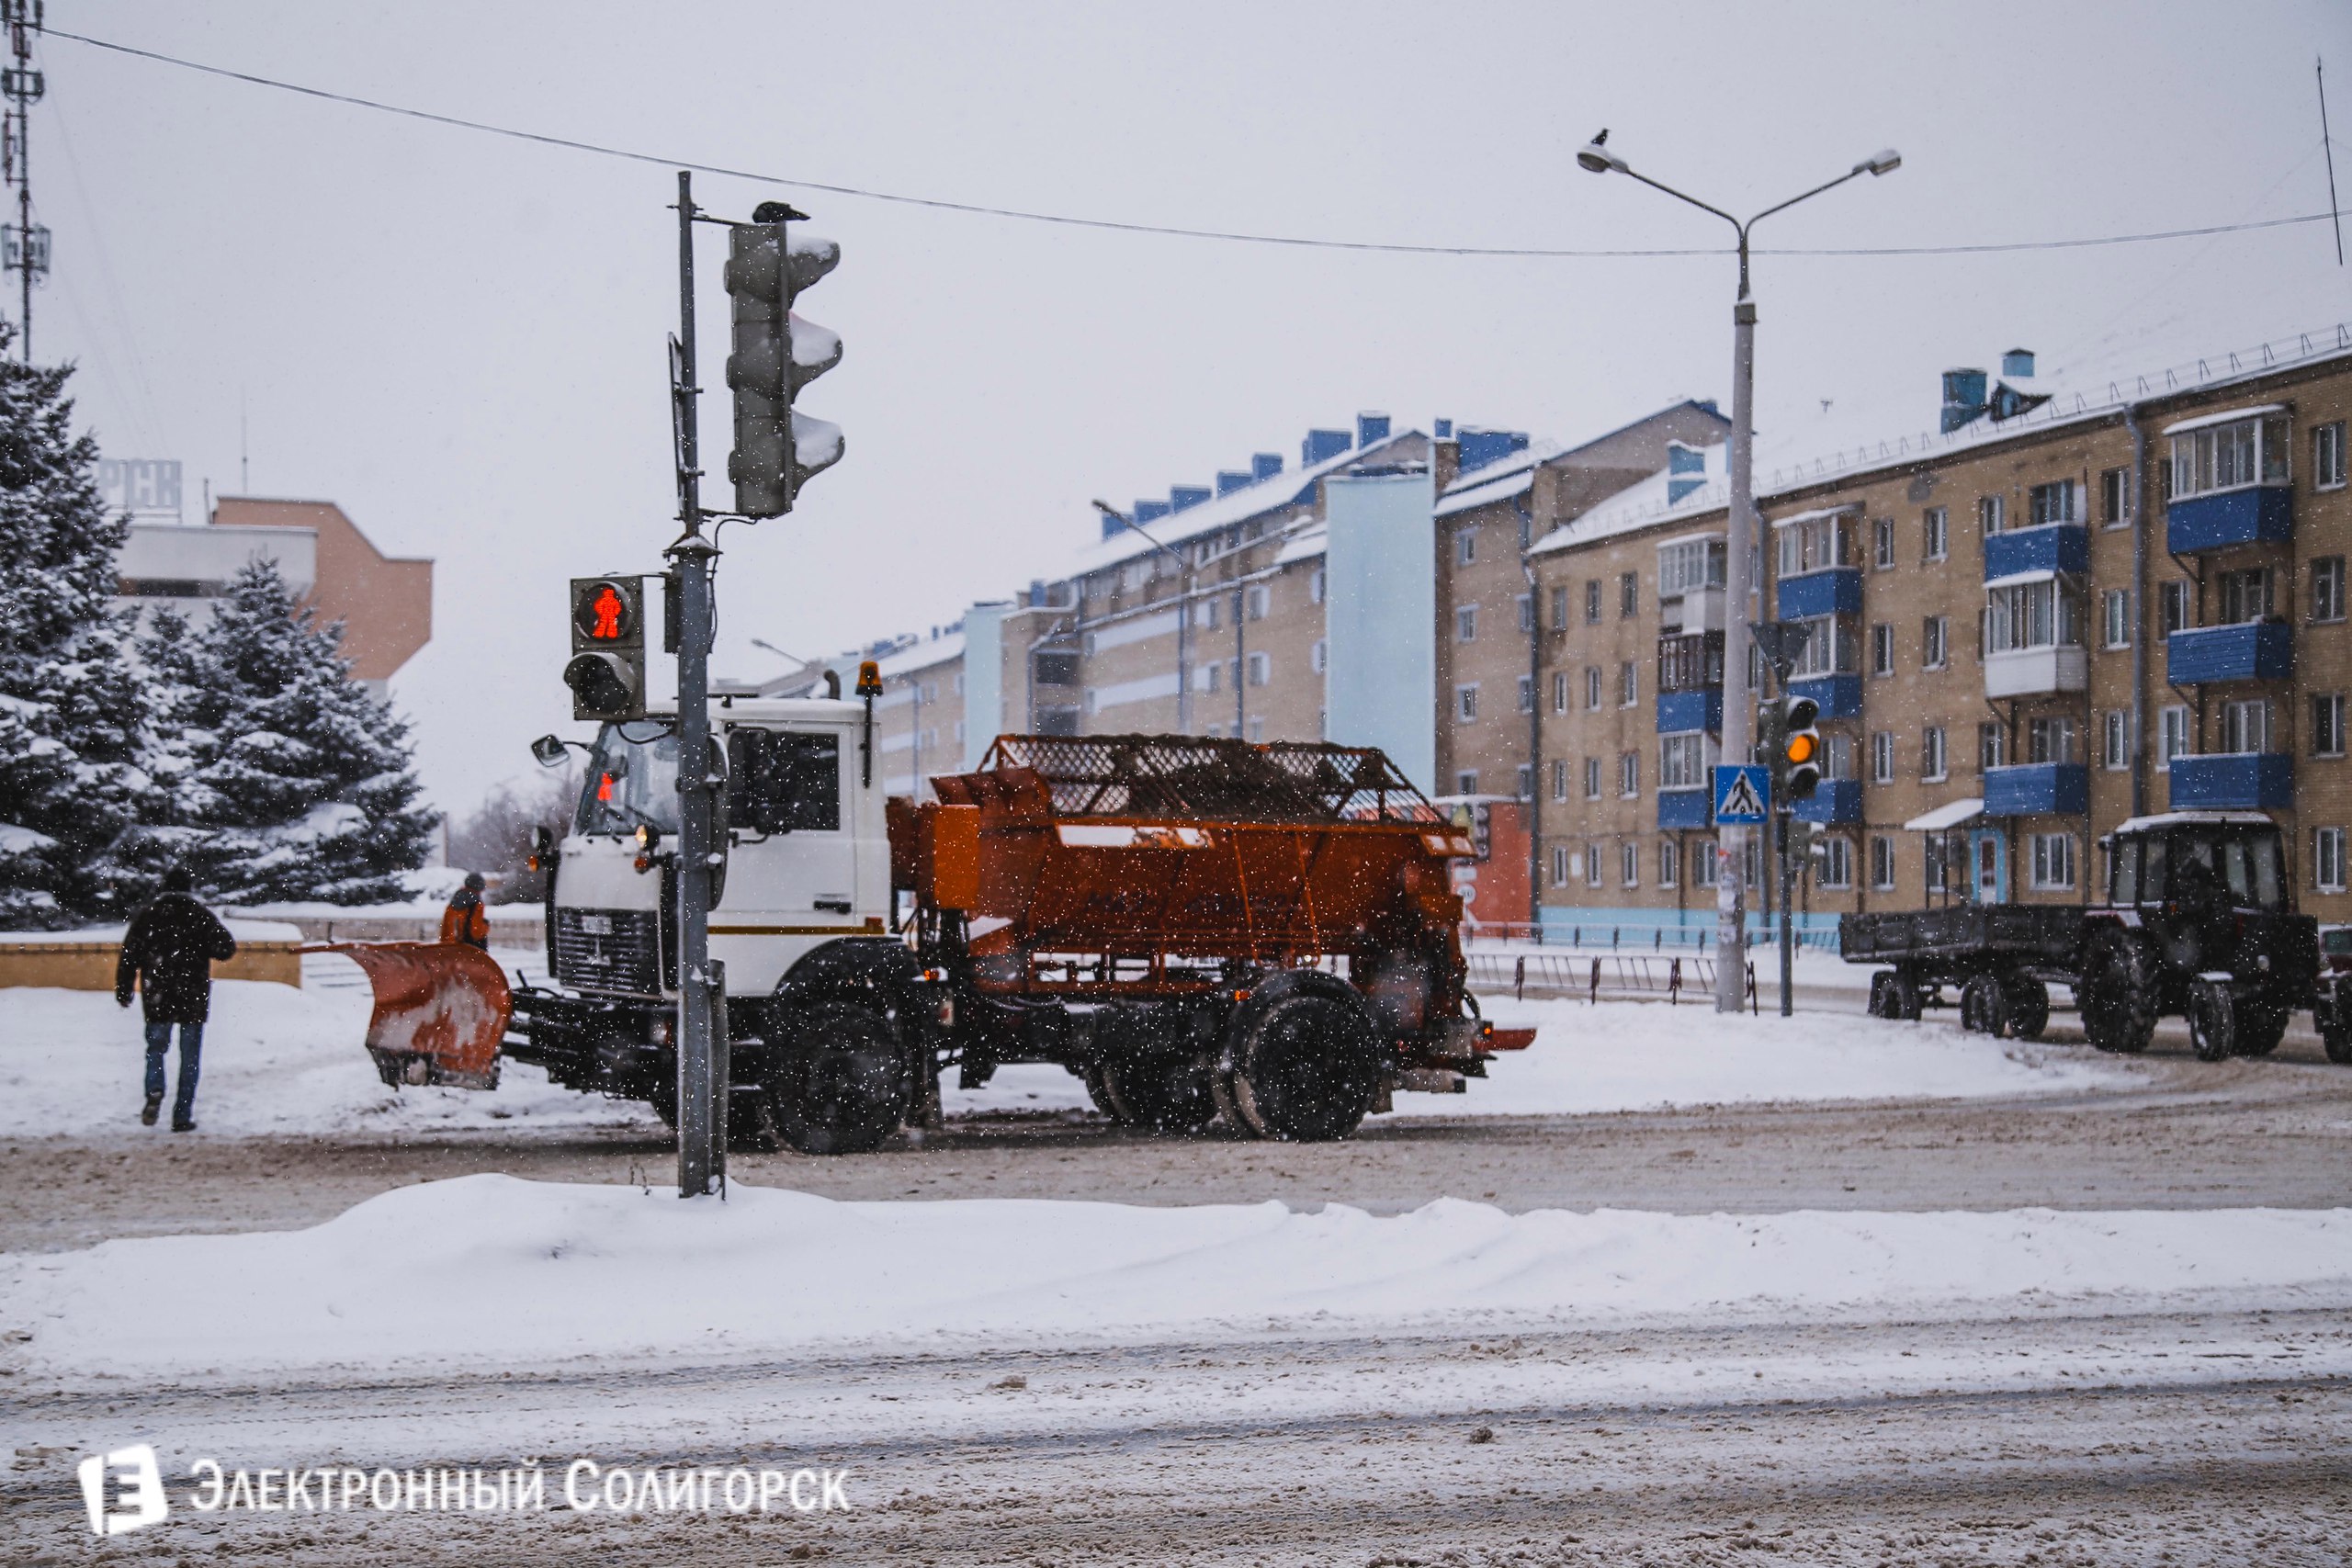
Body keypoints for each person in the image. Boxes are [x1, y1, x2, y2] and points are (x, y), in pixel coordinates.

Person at [115, 866, 238, 1132]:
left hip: (157, 993)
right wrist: (201, 947)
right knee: (190, 1057)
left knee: (156, 1049)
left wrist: (124, 990)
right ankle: (182, 1115)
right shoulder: (200, 916)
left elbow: (129, 956)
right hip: (193, 994)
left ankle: (154, 1089)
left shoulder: (149, 916)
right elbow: (227, 948)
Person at [441, 871, 490, 950]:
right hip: (469, 948)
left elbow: (445, 929)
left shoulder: (452, 904)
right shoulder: (477, 904)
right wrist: (485, 926)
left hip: (449, 946)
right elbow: (476, 933)